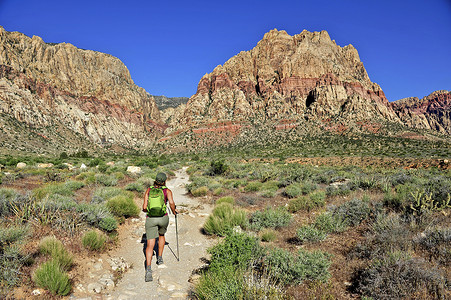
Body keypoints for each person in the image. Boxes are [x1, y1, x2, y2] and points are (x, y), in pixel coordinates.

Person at [142, 172, 178, 282]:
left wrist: (150, 210)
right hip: (163, 218)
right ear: (165, 181)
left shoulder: (149, 190)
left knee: (149, 244)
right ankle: (160, 258)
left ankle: (148, 269)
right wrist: (174, 211)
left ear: (155, 180)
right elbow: (171, 203)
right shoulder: (167, 191)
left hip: (151, 219)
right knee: (161, 235)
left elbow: (144, 208)